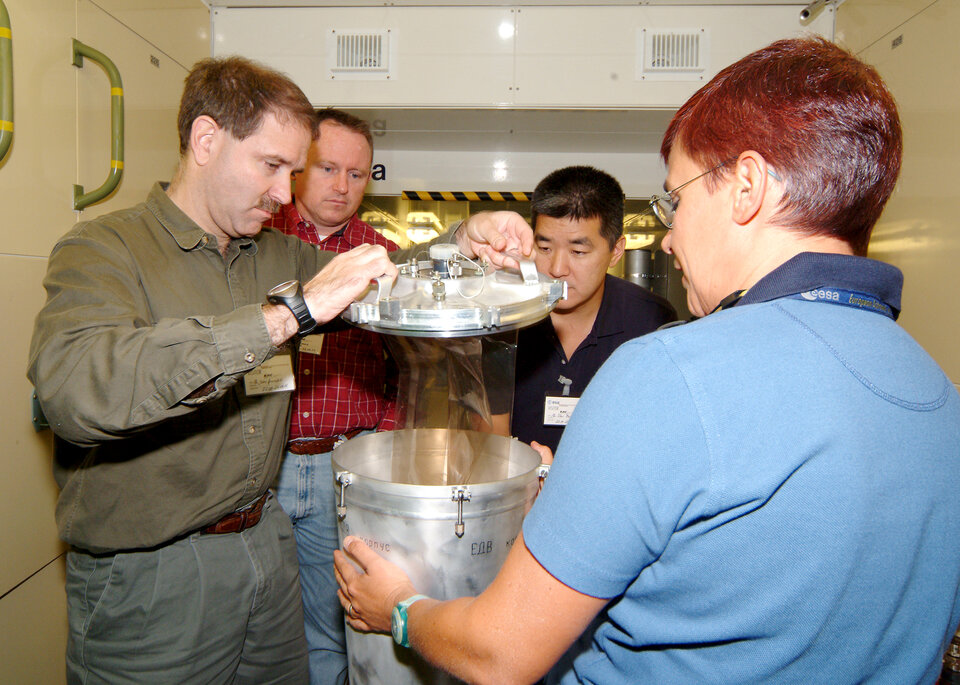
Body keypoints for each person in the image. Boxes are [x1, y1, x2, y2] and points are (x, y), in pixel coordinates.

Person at [334, 37, 960, 684]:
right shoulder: (939, 393)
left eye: (676, 200)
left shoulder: (669, 370)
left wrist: (400, 611)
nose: (669, 234)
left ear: (746, 186)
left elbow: (500, 654)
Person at [26, 56, 532, 684]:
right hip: (154, 577)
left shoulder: (271, 252)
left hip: (266, 546)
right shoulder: (103, 249)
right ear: (205, 140)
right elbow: (78, 391)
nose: (282, 192)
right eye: (271, 166)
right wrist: (290, 312)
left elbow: (391, 272)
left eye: (293, 171)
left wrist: (464, 241)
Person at [264, 107, 398, 685]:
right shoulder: (257, 242)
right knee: (258, 625)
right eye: (328, 168)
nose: (343, 187)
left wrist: (380, 448)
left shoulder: (380, 257)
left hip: (341, 467)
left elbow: (409, 368)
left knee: (331, 626)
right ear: (297, 167)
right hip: (260, 467)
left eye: (358, 174)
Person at [511, 165, 675, 453]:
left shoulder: (651, 322)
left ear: (616, 251)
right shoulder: (506, 317)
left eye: (578, 252)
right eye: (545, 248)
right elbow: (489, 430)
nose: (557, 269)